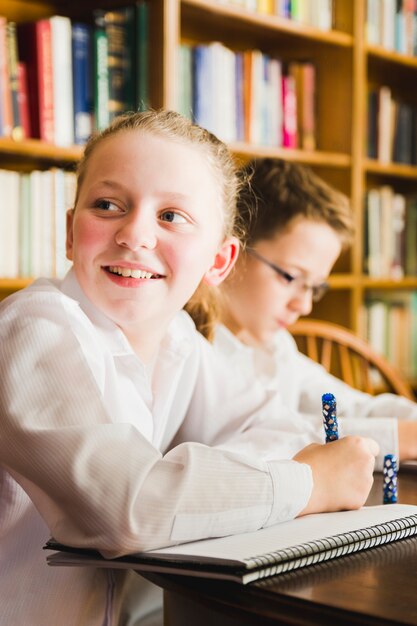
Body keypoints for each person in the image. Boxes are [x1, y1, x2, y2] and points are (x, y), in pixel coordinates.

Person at [0, 112, 378, 626]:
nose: (134, 235)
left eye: (171, 216)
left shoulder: (179, 337)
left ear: (218, 262)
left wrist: (190, 484)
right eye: (107, 205)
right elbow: (124, 506)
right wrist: (304, 484)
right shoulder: (33, 327)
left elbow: (276, 426)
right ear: (71, 233)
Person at [215, 157, 417, 471]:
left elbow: (353, 406)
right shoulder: (196, 348)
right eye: (292, 278)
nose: (304, 305)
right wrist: (397, 437)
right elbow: (271, 436)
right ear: (233, 250)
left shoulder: (275, 345)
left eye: (315, 287)